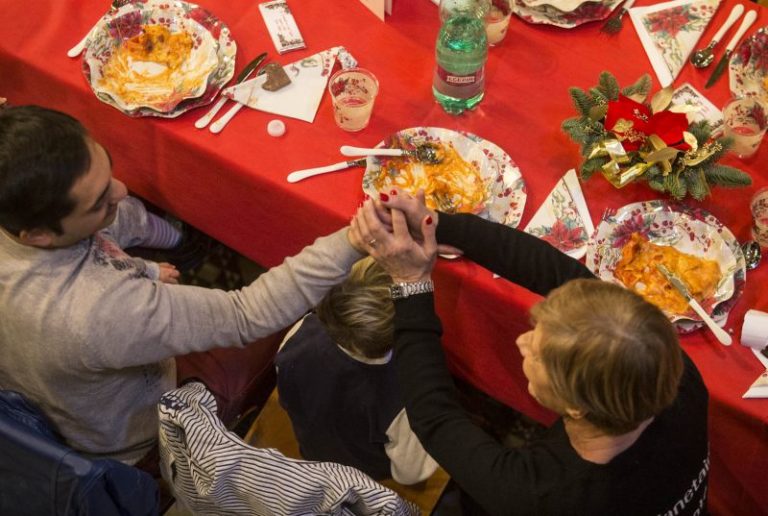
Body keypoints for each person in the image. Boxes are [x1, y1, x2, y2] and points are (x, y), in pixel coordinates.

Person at [0, 105, 366, 467]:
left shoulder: (24, 216)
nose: (122, 189)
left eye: (108, 168)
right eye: (98, 203)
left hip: (64, 389)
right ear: (37, 236)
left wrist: (147, 262)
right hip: (134, 433)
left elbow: (109, 230)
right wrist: (356, 239)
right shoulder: (100, 310)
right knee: (303, 327)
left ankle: (182, 241)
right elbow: (246, 315)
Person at [349, 190, 709, 516]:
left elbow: (435, 418)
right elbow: (560, 274)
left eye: (537, 355)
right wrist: (440, 224)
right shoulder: (671, 372)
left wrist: (410, 284)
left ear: (576, 406)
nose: (522, 343)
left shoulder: (537, 495)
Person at [275, 256, 437, 484]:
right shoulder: (402, 395)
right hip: (362, 476)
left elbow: (287, 396)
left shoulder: (300, 333)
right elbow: (411, 474)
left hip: (313, 447)